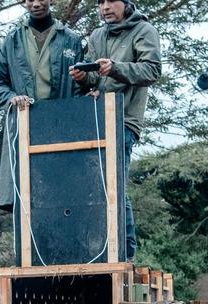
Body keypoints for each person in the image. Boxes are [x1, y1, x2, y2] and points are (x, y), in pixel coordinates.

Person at [68, 0, 162, 260]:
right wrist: (83, 77)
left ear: (126, 3)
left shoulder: (144, 30)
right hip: (97, 118)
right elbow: (95, 79)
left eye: (111, 1)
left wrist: (116, 67)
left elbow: (153, 70)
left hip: (124, 120)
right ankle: (98, 251)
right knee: (95, 186)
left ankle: (126, 254)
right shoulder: (97, 35)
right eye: (100, 2)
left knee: (115, 186)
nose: (105, 7)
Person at [0, 0, 86, 212]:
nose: (35, 3)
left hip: (61, 128)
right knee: (25, 197)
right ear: (24, 3)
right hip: (25, 126)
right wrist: (11, 98)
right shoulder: (11, 40)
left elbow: (82, 87)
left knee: (63, 197)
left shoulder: (71, 40)